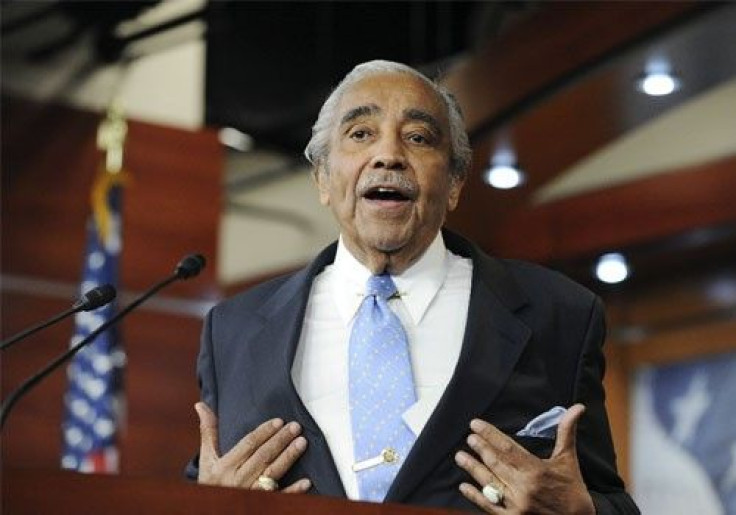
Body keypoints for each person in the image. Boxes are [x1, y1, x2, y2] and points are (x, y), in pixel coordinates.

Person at [186, 60, 639, 514]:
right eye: (361, 133)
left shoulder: (558, 314)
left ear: (455, 182)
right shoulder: (234, 330)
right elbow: (196, 489)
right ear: (322, 178)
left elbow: (609, 500)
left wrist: (582, 512)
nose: (389, 155)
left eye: (418, 138)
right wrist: (201, 506)